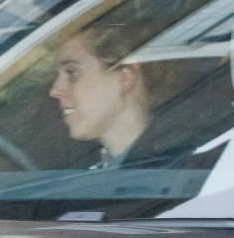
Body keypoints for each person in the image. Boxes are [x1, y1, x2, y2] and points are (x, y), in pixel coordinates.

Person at [49, 24, 179, 169]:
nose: (55, 90)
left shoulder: (177, 169)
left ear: (124, 78)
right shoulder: (100, 171)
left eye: (72, 73)